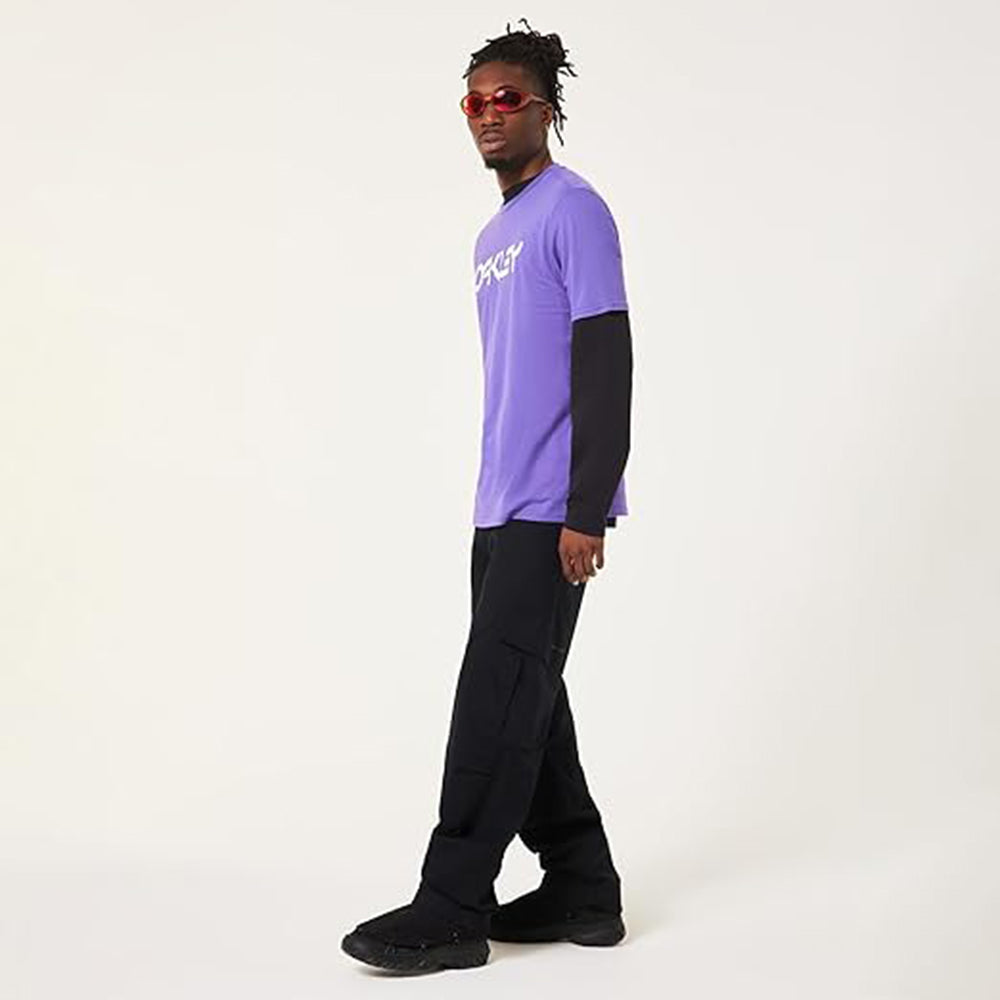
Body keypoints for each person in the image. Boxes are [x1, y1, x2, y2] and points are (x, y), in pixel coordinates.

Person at [342, 18, 633, 973]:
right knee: (526, 695)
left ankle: (452, 904)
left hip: (552, 506)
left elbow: (606, 360)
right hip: (498, 503)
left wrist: (586, 508)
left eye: (506, 98)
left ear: (545, 108)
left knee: (492, 704)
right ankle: (583, 886)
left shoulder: (574, 209)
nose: (487, 114)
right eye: (473, 102)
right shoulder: (493, 235)